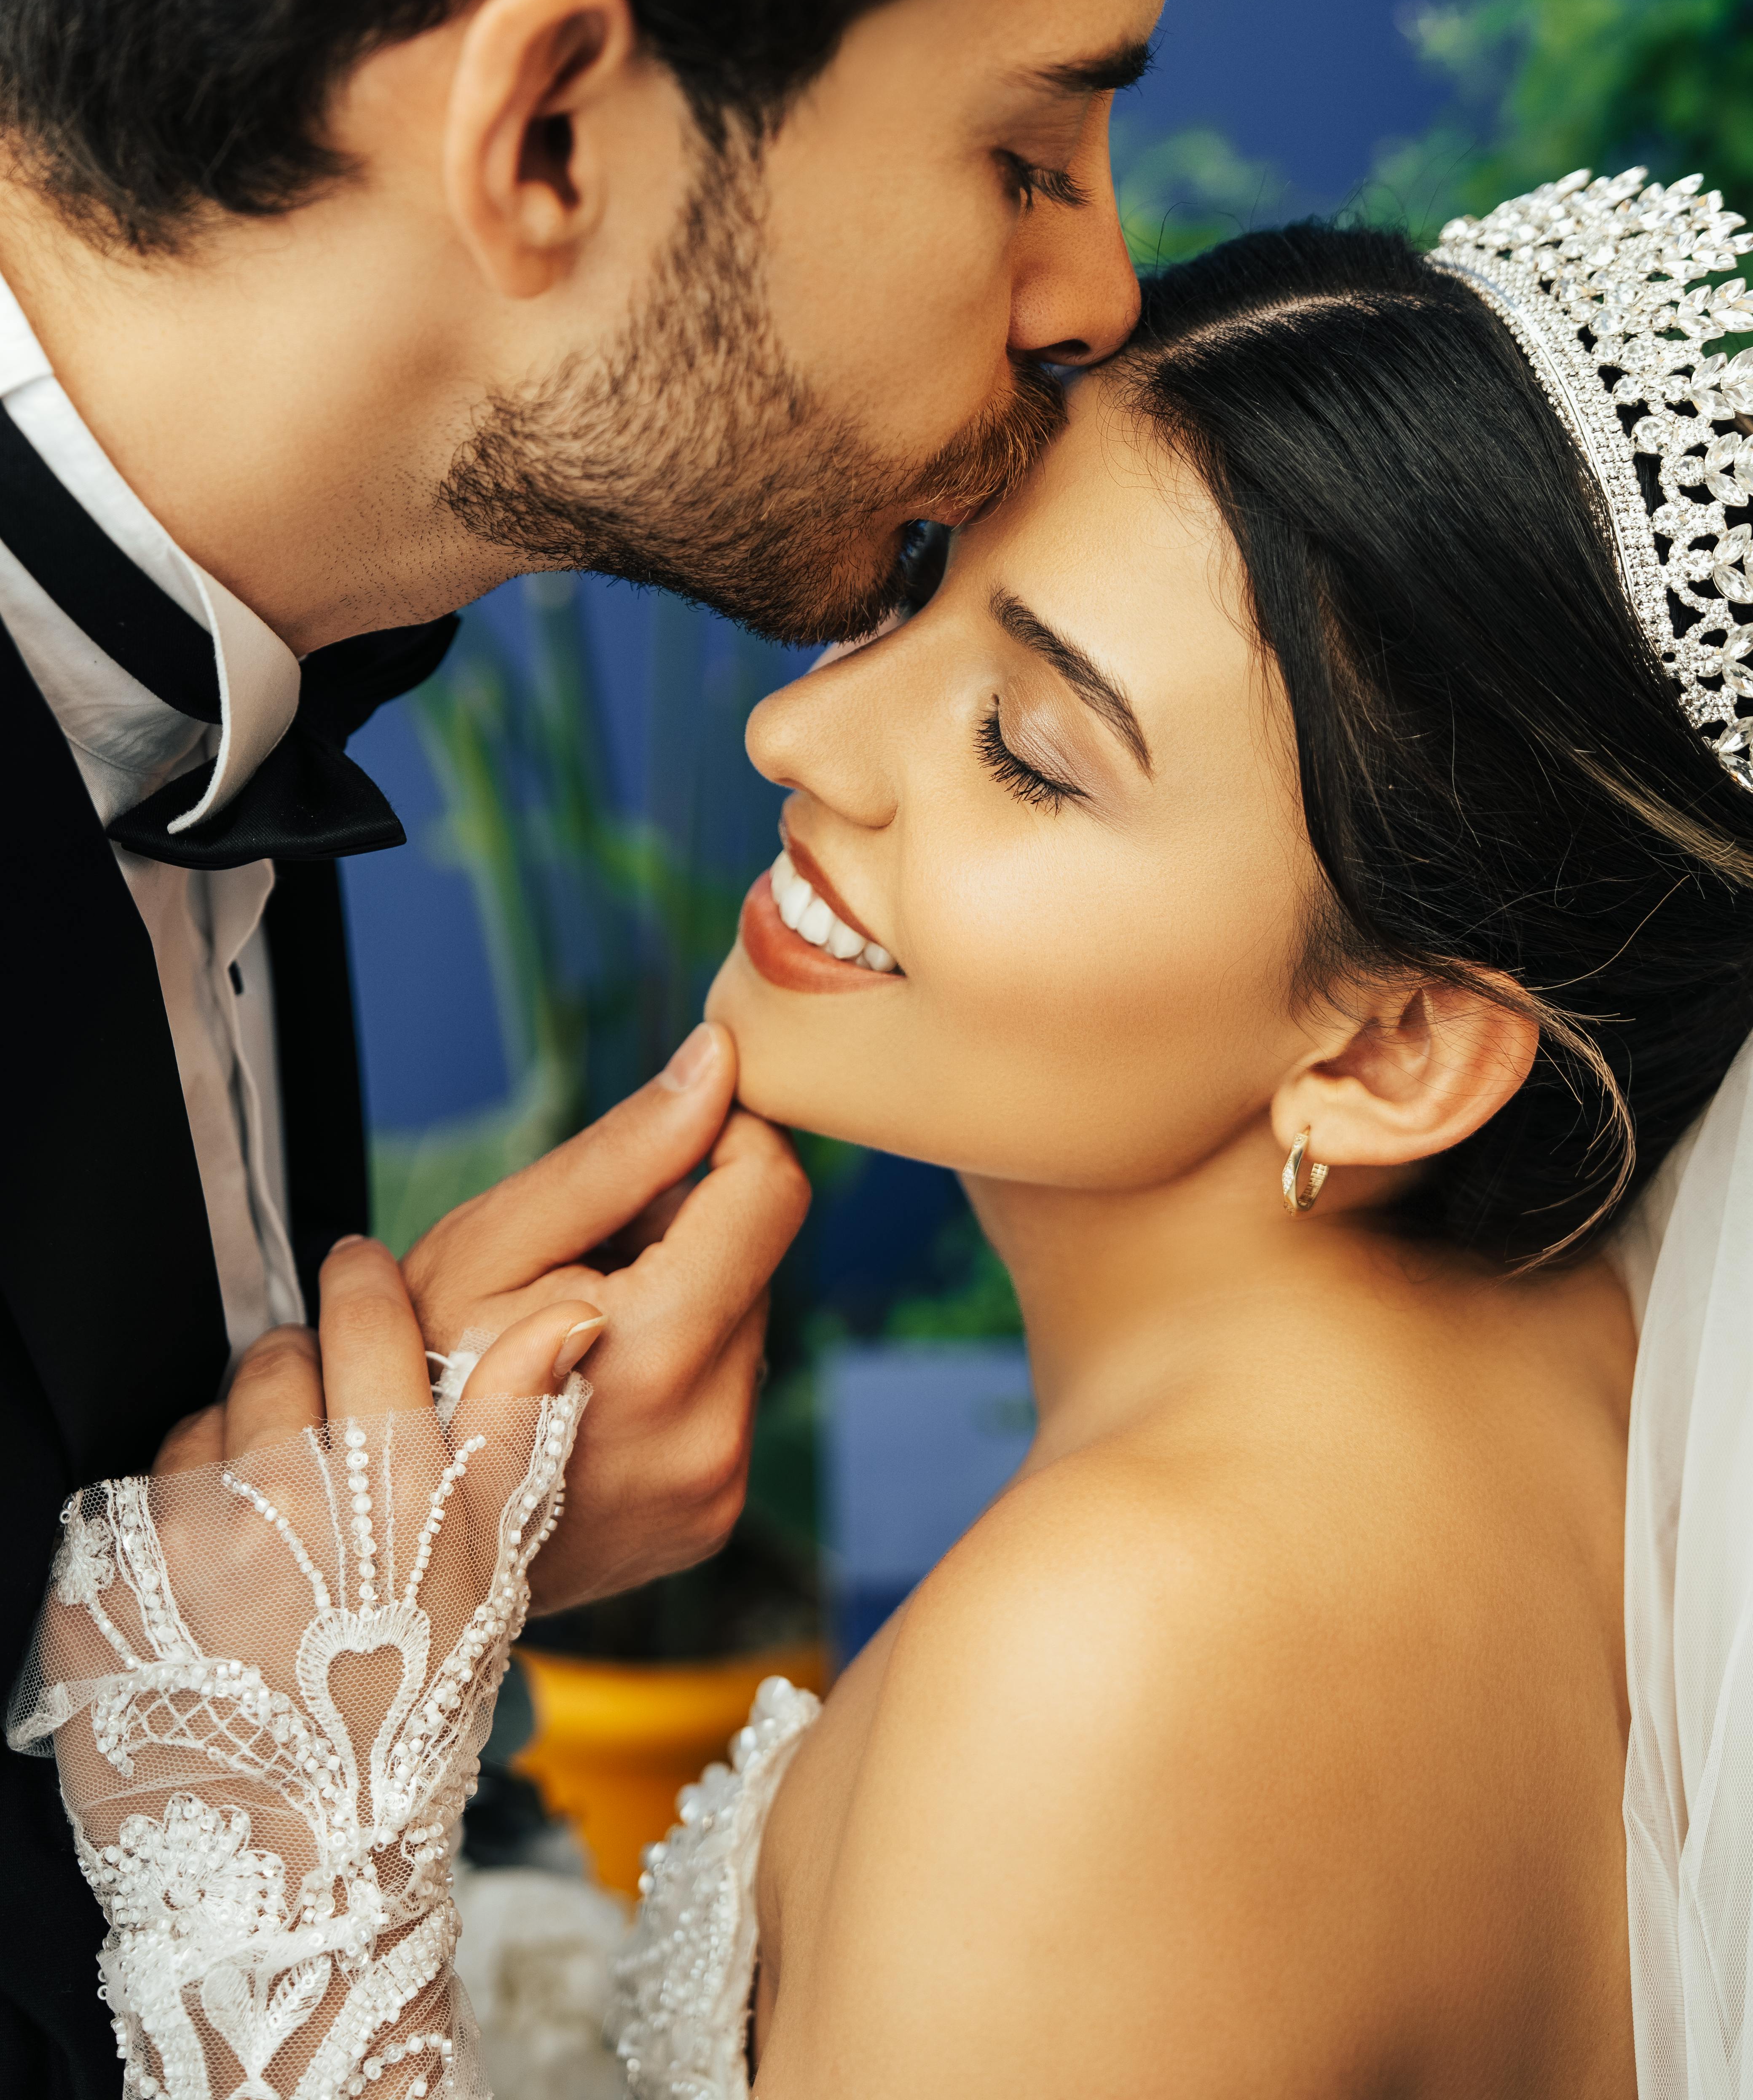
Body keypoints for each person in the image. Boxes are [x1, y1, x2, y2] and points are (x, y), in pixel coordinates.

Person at [28, 169, 1753, 2097]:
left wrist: (291, 1871)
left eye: (1029, 750)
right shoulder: (1575, 1402)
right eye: (926, 595)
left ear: (1402, 1046)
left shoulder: (1120, 1671)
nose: (805, 739)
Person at [0, 0, 1256, 2086]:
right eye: (1027, 149)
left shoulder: (281, 636)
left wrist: (385, 1595)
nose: (1098, 289)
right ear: (550, 125)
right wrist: (234, 1700)